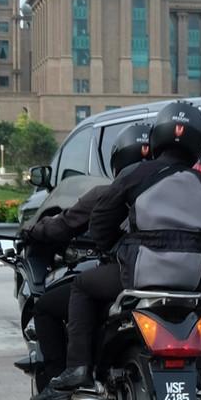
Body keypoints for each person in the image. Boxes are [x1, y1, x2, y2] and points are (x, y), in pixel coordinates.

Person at [33, 101, 201, 400]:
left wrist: (112, 248)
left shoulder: (135, 176)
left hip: (139, 274)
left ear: (158, 136)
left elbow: (101, 220)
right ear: (199, 142)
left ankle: (77, 368)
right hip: (191, 279)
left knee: (82, 287)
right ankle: (193, 368)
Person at [29, 122, 152, 385]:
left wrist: (32, 231)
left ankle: (70, 375)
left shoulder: (112, 191)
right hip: (187, 275)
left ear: (118, 158)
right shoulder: (183, 185)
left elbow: (69, 226)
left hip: (132, 272)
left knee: (55, 302)